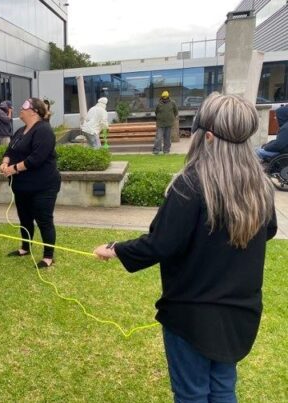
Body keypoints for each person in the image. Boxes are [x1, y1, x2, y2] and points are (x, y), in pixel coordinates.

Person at [93, 93, 277, 402]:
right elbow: (268, 230)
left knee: (192, 393)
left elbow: (161, 243)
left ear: (206, 137)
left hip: (192, 317)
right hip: (240, 314)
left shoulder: (190, 184)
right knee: (222, 388)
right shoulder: (260, 186)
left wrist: (115, 249)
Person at [0, 98, 61, 268]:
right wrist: (5, 163)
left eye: (25, 105)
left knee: (44, 220)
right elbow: (9, 150)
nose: (21, 108)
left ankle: (48, 257)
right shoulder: (20, 131)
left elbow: (36, 159)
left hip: (44, 185)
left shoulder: (44, 130)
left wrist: (13, 169)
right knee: (24, 218)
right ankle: (25, 248)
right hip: (22, 186)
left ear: (34, 111)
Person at [153, 90, 178, 154]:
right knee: (158, 137)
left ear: (168, 96)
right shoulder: (159, 104)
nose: (164, 98)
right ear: (162, 97)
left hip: (169, 123)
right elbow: (156, 112)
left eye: (165, 97)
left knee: (167, 138)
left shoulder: (173, 103)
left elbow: (176, 112)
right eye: (163, 97)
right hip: (160, 124)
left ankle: (166, 150)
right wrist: (159, 117)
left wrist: (171, 118)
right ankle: (156, 150)